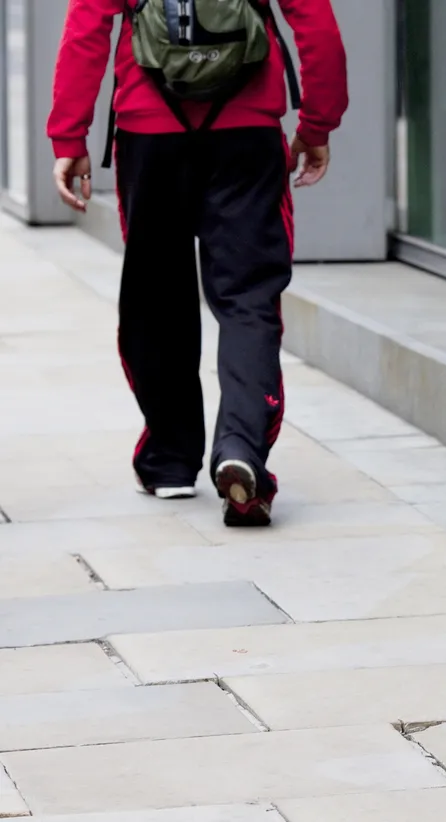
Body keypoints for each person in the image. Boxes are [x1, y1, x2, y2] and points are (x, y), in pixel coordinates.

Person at [47, 0, 348, 526]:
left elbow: (86, 29)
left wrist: (69, 135)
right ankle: (240, 448)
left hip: (149, 133)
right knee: (249, 299)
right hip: (247, 133)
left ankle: (169, 460)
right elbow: (316, 21)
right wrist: (318, 122)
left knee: (156, 296)